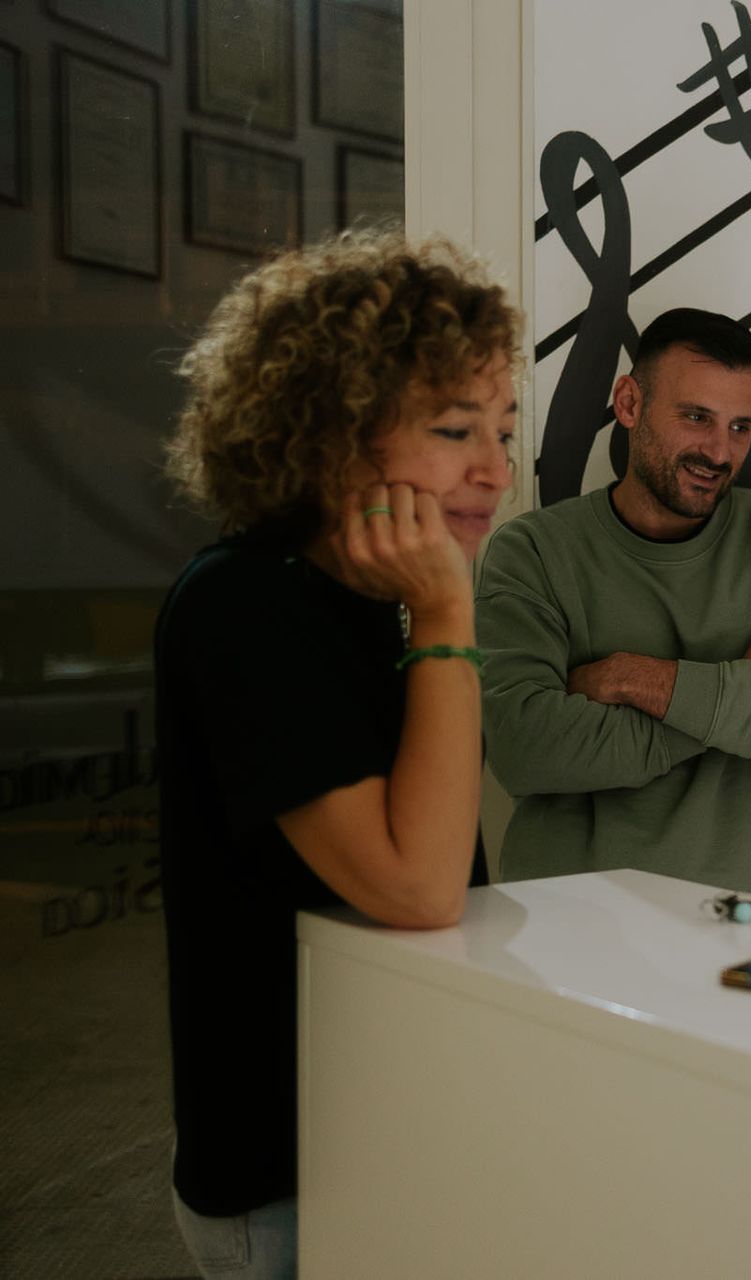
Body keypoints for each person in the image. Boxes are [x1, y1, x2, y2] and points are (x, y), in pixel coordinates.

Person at [157, 232, 518, 1275]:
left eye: (503, 427)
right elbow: (418, 884)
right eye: (455, 428)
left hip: (386, 1139)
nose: (495, 468)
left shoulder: (380, 600)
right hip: (290, 1183)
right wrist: (451, 610)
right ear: (328, 436)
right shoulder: (245, 605)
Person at [476, 308, 751, 901]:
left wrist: (630, 678)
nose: (720, 452)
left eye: (741, 426)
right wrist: (745, 686)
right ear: (629, 403)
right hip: (570, 918)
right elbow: (525, 749)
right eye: (696, 417)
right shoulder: (532, 551)